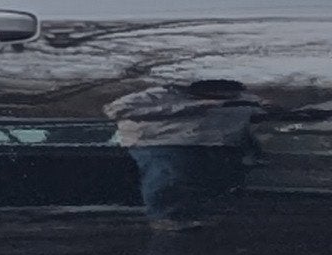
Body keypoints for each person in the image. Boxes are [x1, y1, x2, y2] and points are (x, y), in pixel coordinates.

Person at [107, 75, 261, 233]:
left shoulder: (243, 99)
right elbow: (115, 110)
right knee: (168, 178)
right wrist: (194, 106)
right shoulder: (156, 95)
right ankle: (164, 217)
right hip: (160, 142)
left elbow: (259, 112)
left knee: (211, 179)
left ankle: (200, 214)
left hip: (216, 143)